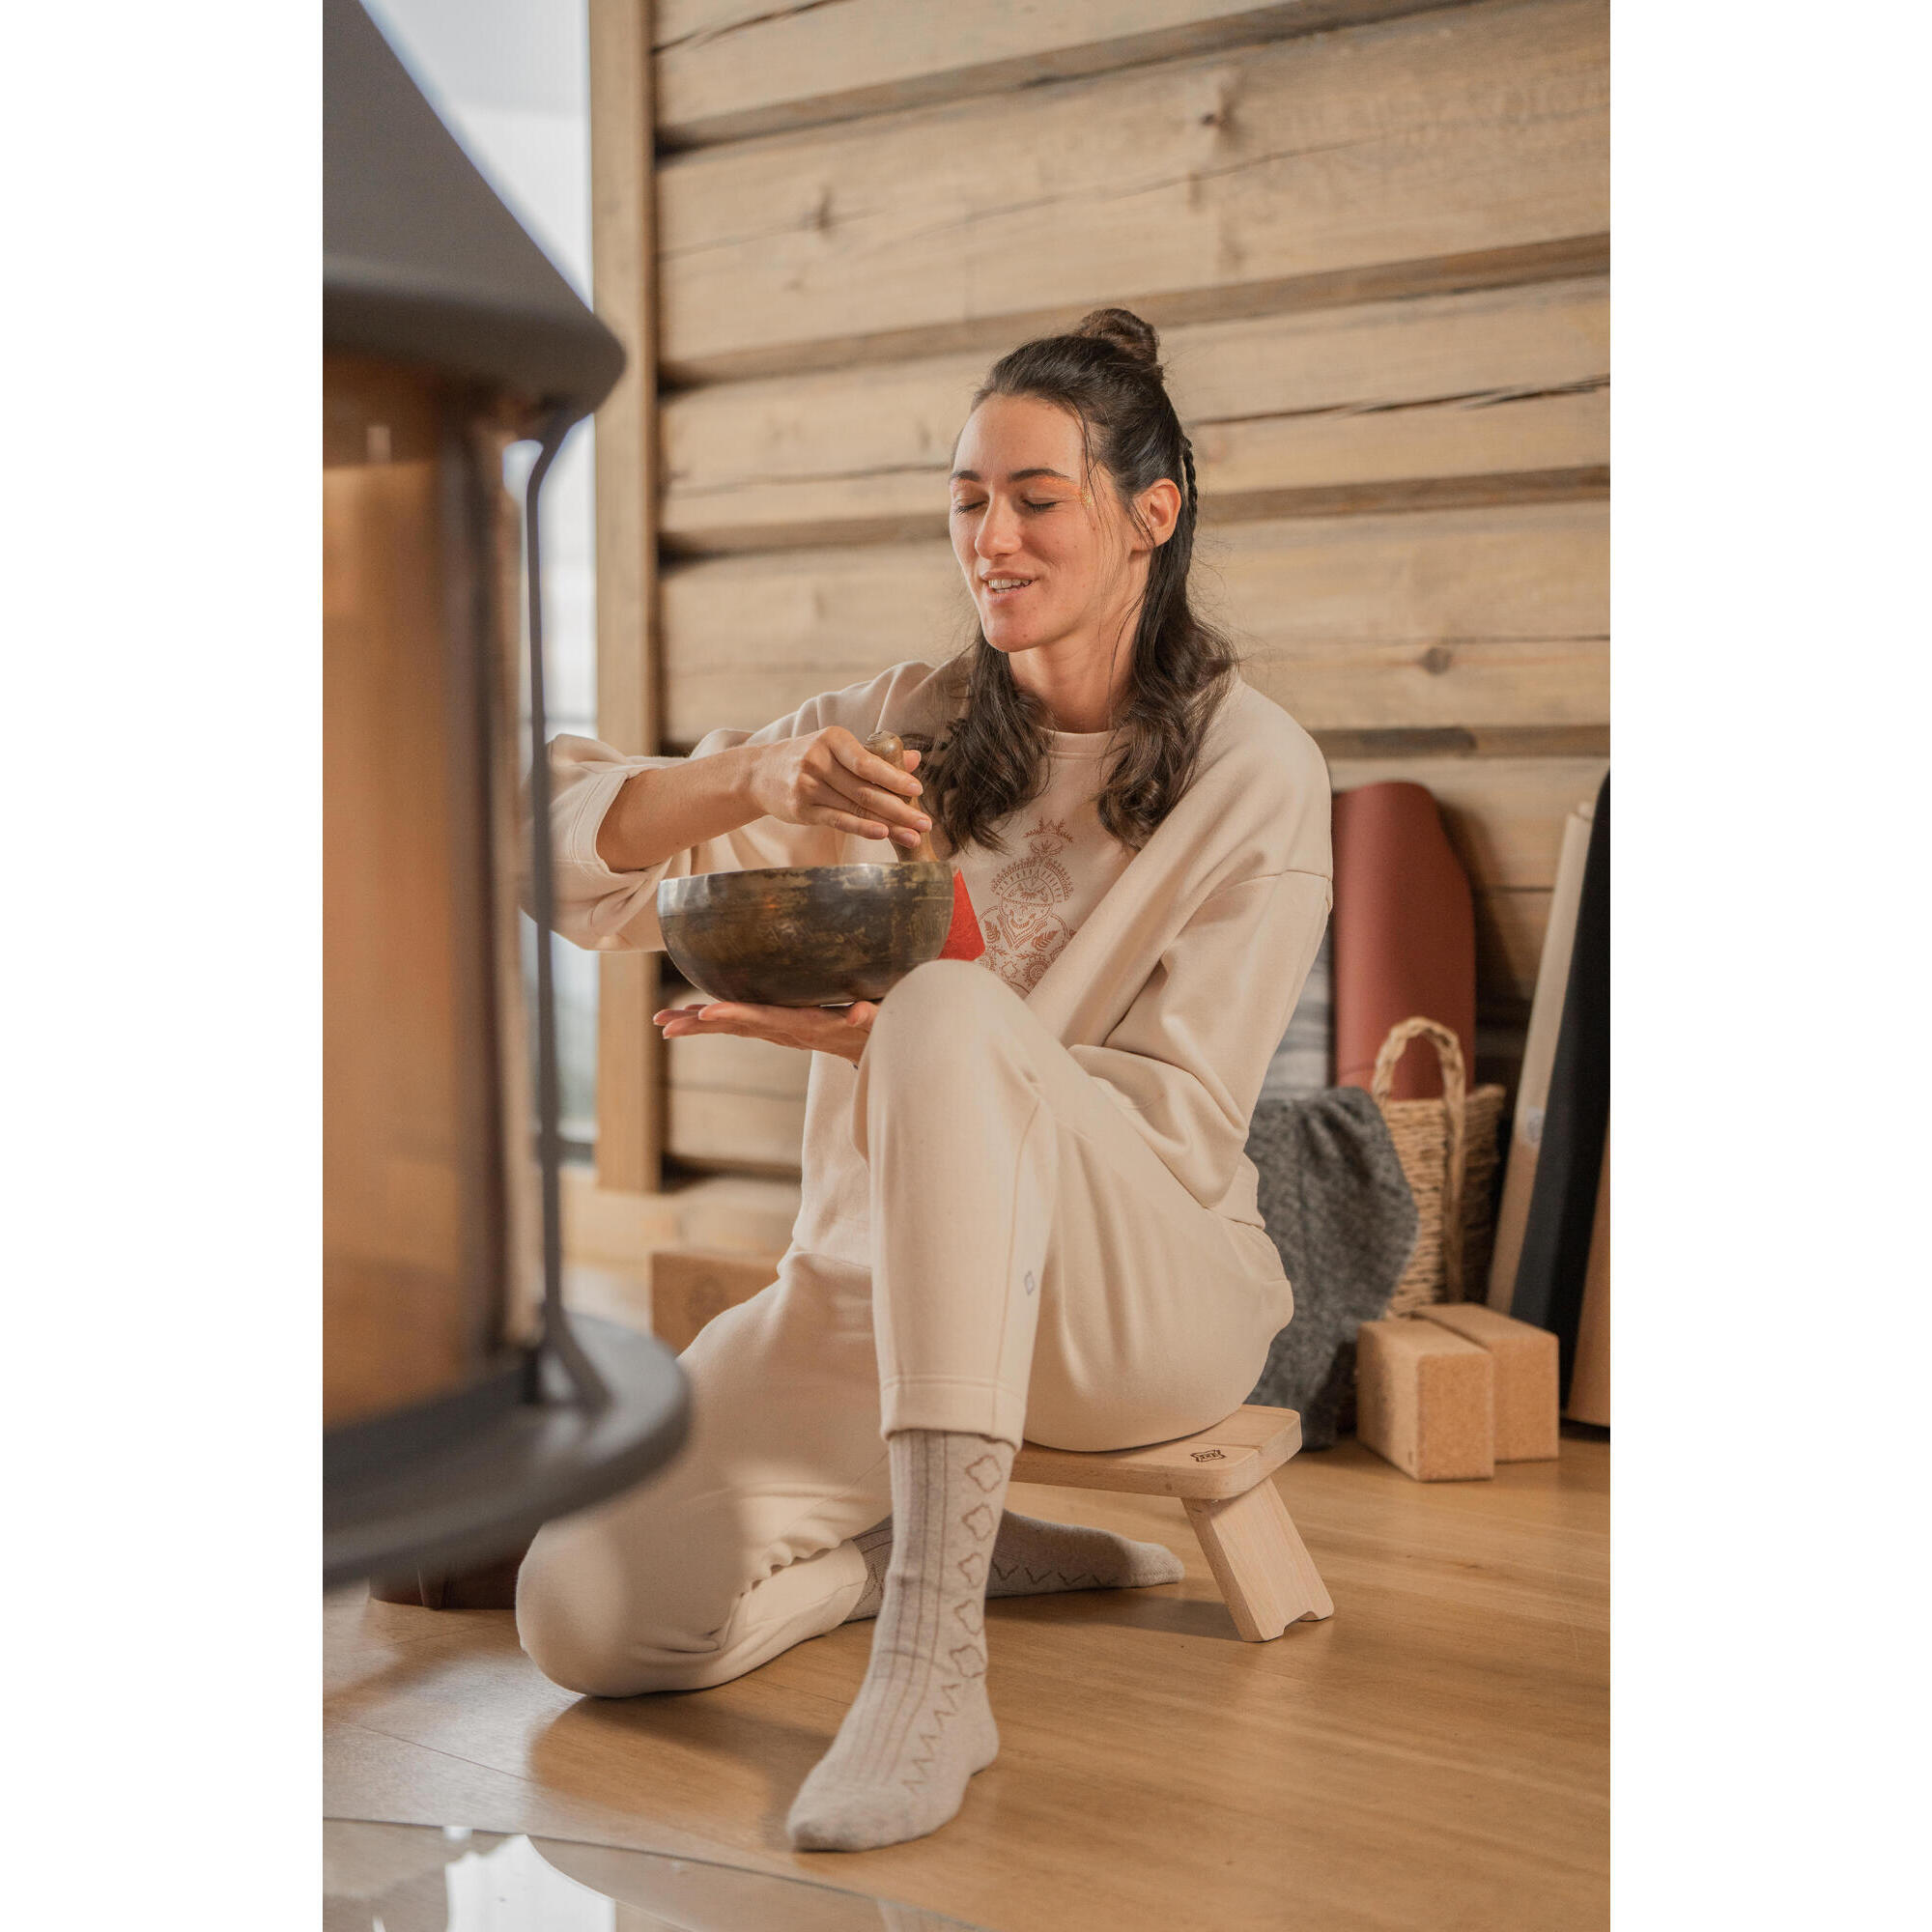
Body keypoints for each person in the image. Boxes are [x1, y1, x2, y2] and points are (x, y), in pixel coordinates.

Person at [517, 307, 1332, 1852]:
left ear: (1153, 513)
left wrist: (898, 1038)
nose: (993, 537)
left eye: (1037, 496)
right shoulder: (903, 726)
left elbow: (1174, 1123)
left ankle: (931, 1664)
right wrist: (759, 781)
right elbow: (553, 858)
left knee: (946, 1012)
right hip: (868, 1292)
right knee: (583, 1619)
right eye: (968, 499)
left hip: (1135, 1301)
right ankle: (922, 1542)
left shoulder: (1254, 768)